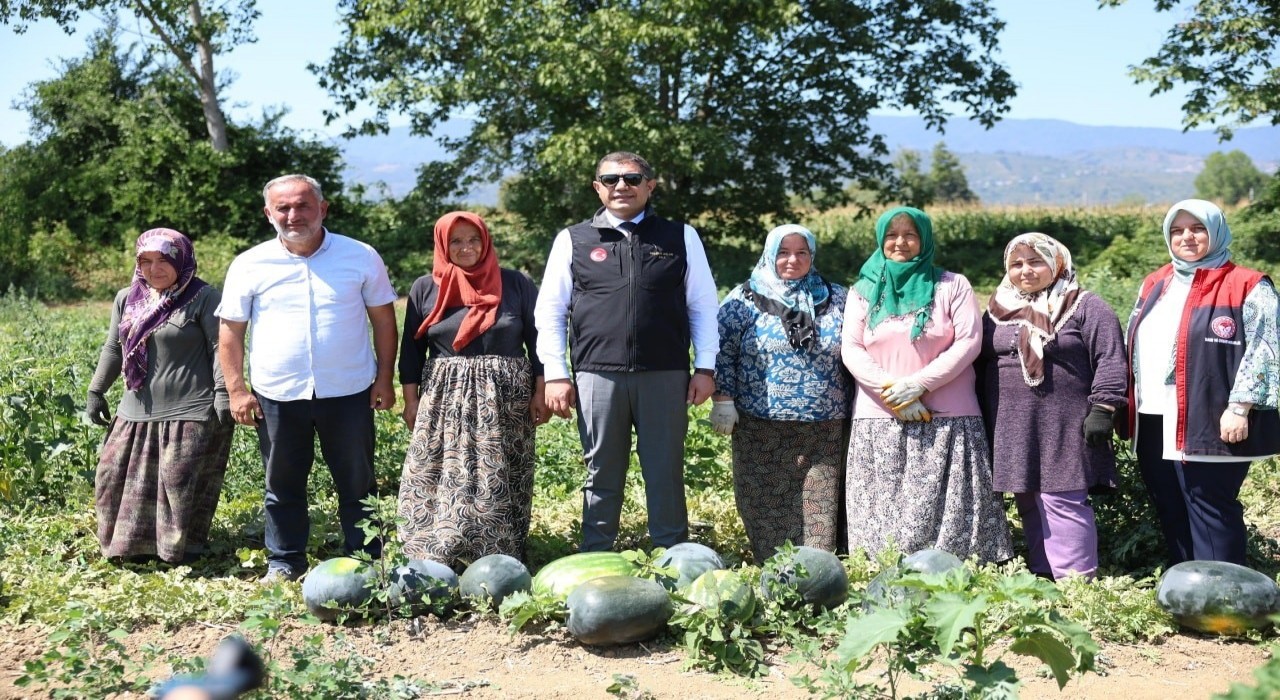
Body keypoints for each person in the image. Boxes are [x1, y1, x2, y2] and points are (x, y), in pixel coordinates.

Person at [217, 174, 399, 584]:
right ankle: (285, 561)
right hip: (278, 393)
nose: (293, 215)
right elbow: (230, 331)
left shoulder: (360, 256)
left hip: (349, 389)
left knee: (358, 480)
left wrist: (384, 378)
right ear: (269, 214)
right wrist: (237, 389)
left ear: (323, 208)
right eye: (283, 208)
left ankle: (366, 560)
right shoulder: (249, 264)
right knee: (282, 483)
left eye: (302, 205)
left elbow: (384, 322)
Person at [534, 151, 720, 552]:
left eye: (633, 178)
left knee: (665, 470)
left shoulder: (680, 236)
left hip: (665, 373)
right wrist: (556, 372)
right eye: (611, 179)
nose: (622, 186)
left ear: (650, 186)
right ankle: (596, 554)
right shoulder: (574, 239)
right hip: (597, 375)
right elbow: (550, 310)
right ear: (597, 187)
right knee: (601, 470)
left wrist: (705, 366)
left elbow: (702, 305)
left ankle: (675, 557)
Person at [841, 206, 1012, 563]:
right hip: (880, 418)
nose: (900, 242)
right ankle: (885, 574)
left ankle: (956, 574)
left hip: (948, 417)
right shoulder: (862, 292)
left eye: (910, 235)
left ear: (924, 240)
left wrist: (918, 383)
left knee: (949, 514)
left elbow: (968, 342)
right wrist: (896, 394)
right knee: (886, 509)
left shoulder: (952, 285)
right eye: (891, 235)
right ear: (880, 240)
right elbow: (852, 349)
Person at [1127, 199, 1279, 566]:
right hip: (1154, 415)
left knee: (1210, 504)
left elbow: (1265, 347)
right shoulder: (1156, 282)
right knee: (1169, 502)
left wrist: (1240, 406)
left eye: (1197, 229)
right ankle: (1188, 588)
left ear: (1216, 232)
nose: (1187, 237)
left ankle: (1225, 599)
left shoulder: (1247, 284)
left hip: (1211, 416)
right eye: (1177, 230)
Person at [397, 211, 547, 569]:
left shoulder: (515, 283)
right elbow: (412, 349)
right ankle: (436, 551)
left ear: (486, 241)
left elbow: (538, 341)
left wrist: (540, 391)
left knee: (501, 472)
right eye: (457, 241)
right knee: (439, 470)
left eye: (473, 239)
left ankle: (498, 553)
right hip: (445, 398)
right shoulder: (426, 287)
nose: (466, 248)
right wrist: (410, 398)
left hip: (505, 397)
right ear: (443, 245)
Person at [979, 233, 1126, 580]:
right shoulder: (997, 310)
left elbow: (1110, 358)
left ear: (1057, 263)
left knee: (1063, 498)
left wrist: (1104, 407)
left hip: (1065, 421)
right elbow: (979, 361)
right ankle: (1043, 574)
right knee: (1027, 498)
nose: (1025, 271)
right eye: (1017, 264)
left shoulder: (1087, 306)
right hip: (1012, 422)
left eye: (1036, 262)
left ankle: (1075, 582)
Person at [86, 228, 234, 564]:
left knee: (177, 485)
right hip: (135, 408)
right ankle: (129, 548)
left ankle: (178, 553)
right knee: (111, 479)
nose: (155, 268)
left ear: (182, 260)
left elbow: (219, 347)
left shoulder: (204, 297)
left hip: (190, 409)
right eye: (147, 261)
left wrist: (224, 393)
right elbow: (114, 347)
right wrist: (96, 390)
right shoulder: (128, 298)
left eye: (165, 260)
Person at [710, 224, 852, 562]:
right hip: (761, 423)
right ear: (769, 255)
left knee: (821, 499)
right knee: (766, 497)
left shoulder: (838, 298)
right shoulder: (742, 299)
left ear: (812, 255)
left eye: (801, 252)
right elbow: (721, 350)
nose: (793, 260)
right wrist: (723, 399)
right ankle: (773, 566)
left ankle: (819, 567)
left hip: (826, 424)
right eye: (783, 252)